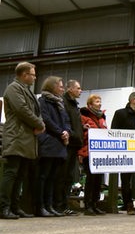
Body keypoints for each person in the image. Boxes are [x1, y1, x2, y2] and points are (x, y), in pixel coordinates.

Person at [0, 62, 45, 219]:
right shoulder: (13, 88)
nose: (35, 77)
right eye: (33, 74)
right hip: (16, 136)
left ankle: (14, 206)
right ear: (24, 75)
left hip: (26, 138)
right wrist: (39, 124)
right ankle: (3, 208)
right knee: (11, 173)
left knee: (20, 175)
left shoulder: (26, 90)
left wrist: (39, 123)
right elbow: (22, 110)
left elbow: (35, 111)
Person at [36, 76, 71, 217]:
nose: (63, 89)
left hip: (59, 144)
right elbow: (45, 119)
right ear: (52, 86)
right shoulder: (42, 101)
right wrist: (60, 132)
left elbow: (66, 120)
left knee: (52, 177)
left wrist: (67, 131)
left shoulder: (60, 103)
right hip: (48, 142)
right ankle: (40, 206)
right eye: (60, 86)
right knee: (43, 176)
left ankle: (49, 206)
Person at [55, 79, 83, 215]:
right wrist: (72, 134)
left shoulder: (74, 104)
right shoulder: (64, 102)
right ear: (70, 89)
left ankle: (64, 204)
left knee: (68, 177)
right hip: (67, 144)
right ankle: (59, 205)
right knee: (62, 175)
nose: (80, 90)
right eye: (78, 88)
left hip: (74, 144)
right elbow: (65, 122)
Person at [78, 94, 107, 216]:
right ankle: (88, 204)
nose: (99, 103)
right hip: (88, 152)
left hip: (99, 153)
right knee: (90, 179)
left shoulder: (102, 118)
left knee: (98, 179)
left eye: (100, 101)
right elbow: (80, 133)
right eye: (96, 101)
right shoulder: (83, 116)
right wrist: (85, 130)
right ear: (90, 104)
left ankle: (95, 204)